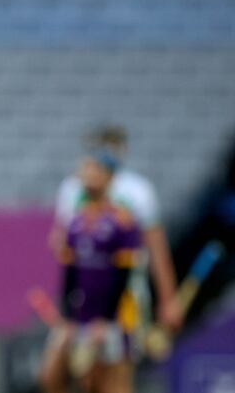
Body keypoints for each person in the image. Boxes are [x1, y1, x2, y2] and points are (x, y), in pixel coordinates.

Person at [50, 125, 182, 344]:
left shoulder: (137, 190)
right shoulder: (72, 189)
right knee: (64, 367)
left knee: (117, 363)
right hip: (84, 289)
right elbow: (63, 246)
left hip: (124, 289)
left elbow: (156, 248)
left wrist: (168, 299)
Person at [40, 151, 141, 393]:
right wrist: (66, 317)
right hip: (78, 316)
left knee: (109, 384)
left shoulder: (122, 221)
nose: (87, 176)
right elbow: (70, 273)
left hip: (111, 317)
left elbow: (124, 275)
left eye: (94, 170)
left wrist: (106, 321)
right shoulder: (75, 220)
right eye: (85, 171)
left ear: (109, 177)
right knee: (50, 376)